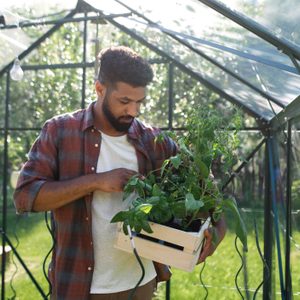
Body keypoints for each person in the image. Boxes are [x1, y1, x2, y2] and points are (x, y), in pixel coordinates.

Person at [14, 46, 225, 300]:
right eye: (124, 101)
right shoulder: (60, 132)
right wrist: (97, 181)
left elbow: (205, 186)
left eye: (139, 102)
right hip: (81, 286)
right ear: (100, 89)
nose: (133, 111)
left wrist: (218, 230)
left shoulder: (152, 139)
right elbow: (26, 197)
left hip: (141, 282)